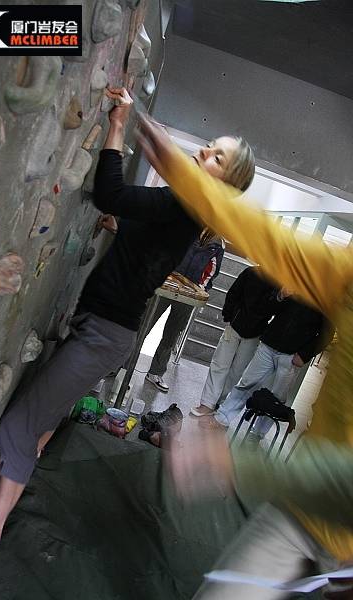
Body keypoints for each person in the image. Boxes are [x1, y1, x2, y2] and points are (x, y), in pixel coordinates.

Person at [0, 90, 256, 583]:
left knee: (18, 425)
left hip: (104, 335)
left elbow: (109, 194)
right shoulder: (187, 208)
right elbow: (134, 226)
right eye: (210, 146)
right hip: (101, 328)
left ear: (227, 182)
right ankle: (9, 499)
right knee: (42, 418)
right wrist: (121, 225)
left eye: (217, 157)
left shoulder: (185, 202)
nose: (204, 151)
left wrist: (117, 127)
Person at [137, 115, 353, 599]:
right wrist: (185, 174)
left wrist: (238, 464)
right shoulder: (347, 272)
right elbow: (274, 243)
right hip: (301, 514)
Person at [216, 290, 334, 439]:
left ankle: (257, 434)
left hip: (292, 355)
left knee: (277, 398)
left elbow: (327, 334)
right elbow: (268, 308)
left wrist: (304, 355)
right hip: (269, 344)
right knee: (247, 383)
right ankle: (223, 418)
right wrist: (280, 296)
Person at [190, 265, 278, 421]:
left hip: (255, 332)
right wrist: (229, 315)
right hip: (236, 325)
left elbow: (274, 309)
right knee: (220, 364)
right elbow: (234, 293)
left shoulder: (279, 283)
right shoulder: (251, 272)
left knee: (237, 371)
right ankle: (208, 403)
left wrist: (279, 298)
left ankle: (218, 402)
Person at [144, 228, 225, 393]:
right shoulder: (190, 225)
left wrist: (199, 288)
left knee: (172, 334)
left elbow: (212, 271)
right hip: (167, 281)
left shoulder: (218, 243)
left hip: (190, 291)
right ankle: (121, 365)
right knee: (144, 324)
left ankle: (155, 372)